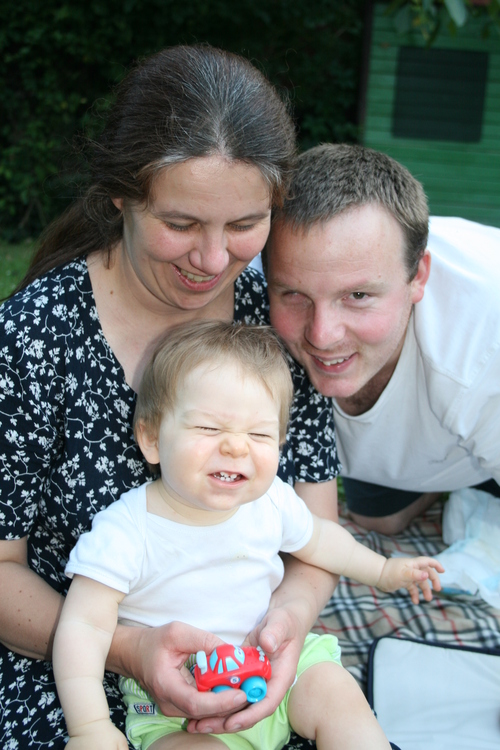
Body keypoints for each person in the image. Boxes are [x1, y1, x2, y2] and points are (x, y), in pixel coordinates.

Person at [0, 47, 341, 749]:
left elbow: (315, 537)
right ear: (121, 194)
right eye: (181, 224)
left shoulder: (277, 317)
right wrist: (128, 649)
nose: (214, 261)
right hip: (69, 667)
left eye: (244, 225)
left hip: (250, 673)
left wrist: (289, 626)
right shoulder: (32, 338)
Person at [52, 320, 442, 750]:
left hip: (280, 671)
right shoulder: (126, 530)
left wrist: (384, 571)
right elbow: (82, 627)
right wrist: (90, 726)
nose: (236, 447)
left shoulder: (271, 502)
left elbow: (323, 542)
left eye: (258, 434)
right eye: (209, 428)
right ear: (151, 438)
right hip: (177, 706)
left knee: (339, 696)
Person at [266, 142, 500, 535]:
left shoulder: (480, 347)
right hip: (432, 438)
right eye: (293, 294)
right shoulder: (244, 298)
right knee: (379, 519)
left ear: (418, 277)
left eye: (357, 295)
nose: (322, 336)